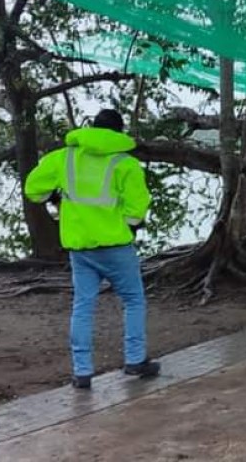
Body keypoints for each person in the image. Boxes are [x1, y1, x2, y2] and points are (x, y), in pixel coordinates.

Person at [25, 109, 160, 389]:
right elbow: (136, 210)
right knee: (133, 300)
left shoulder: (65, 157)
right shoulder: (126, 163)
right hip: (116, 247)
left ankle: (82, 372)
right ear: (119, 133)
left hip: (80, 248)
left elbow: (32, 189)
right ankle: (135, 360)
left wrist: (55, 197)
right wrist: (124, 225)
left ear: (91, 127)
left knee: (83, 306)